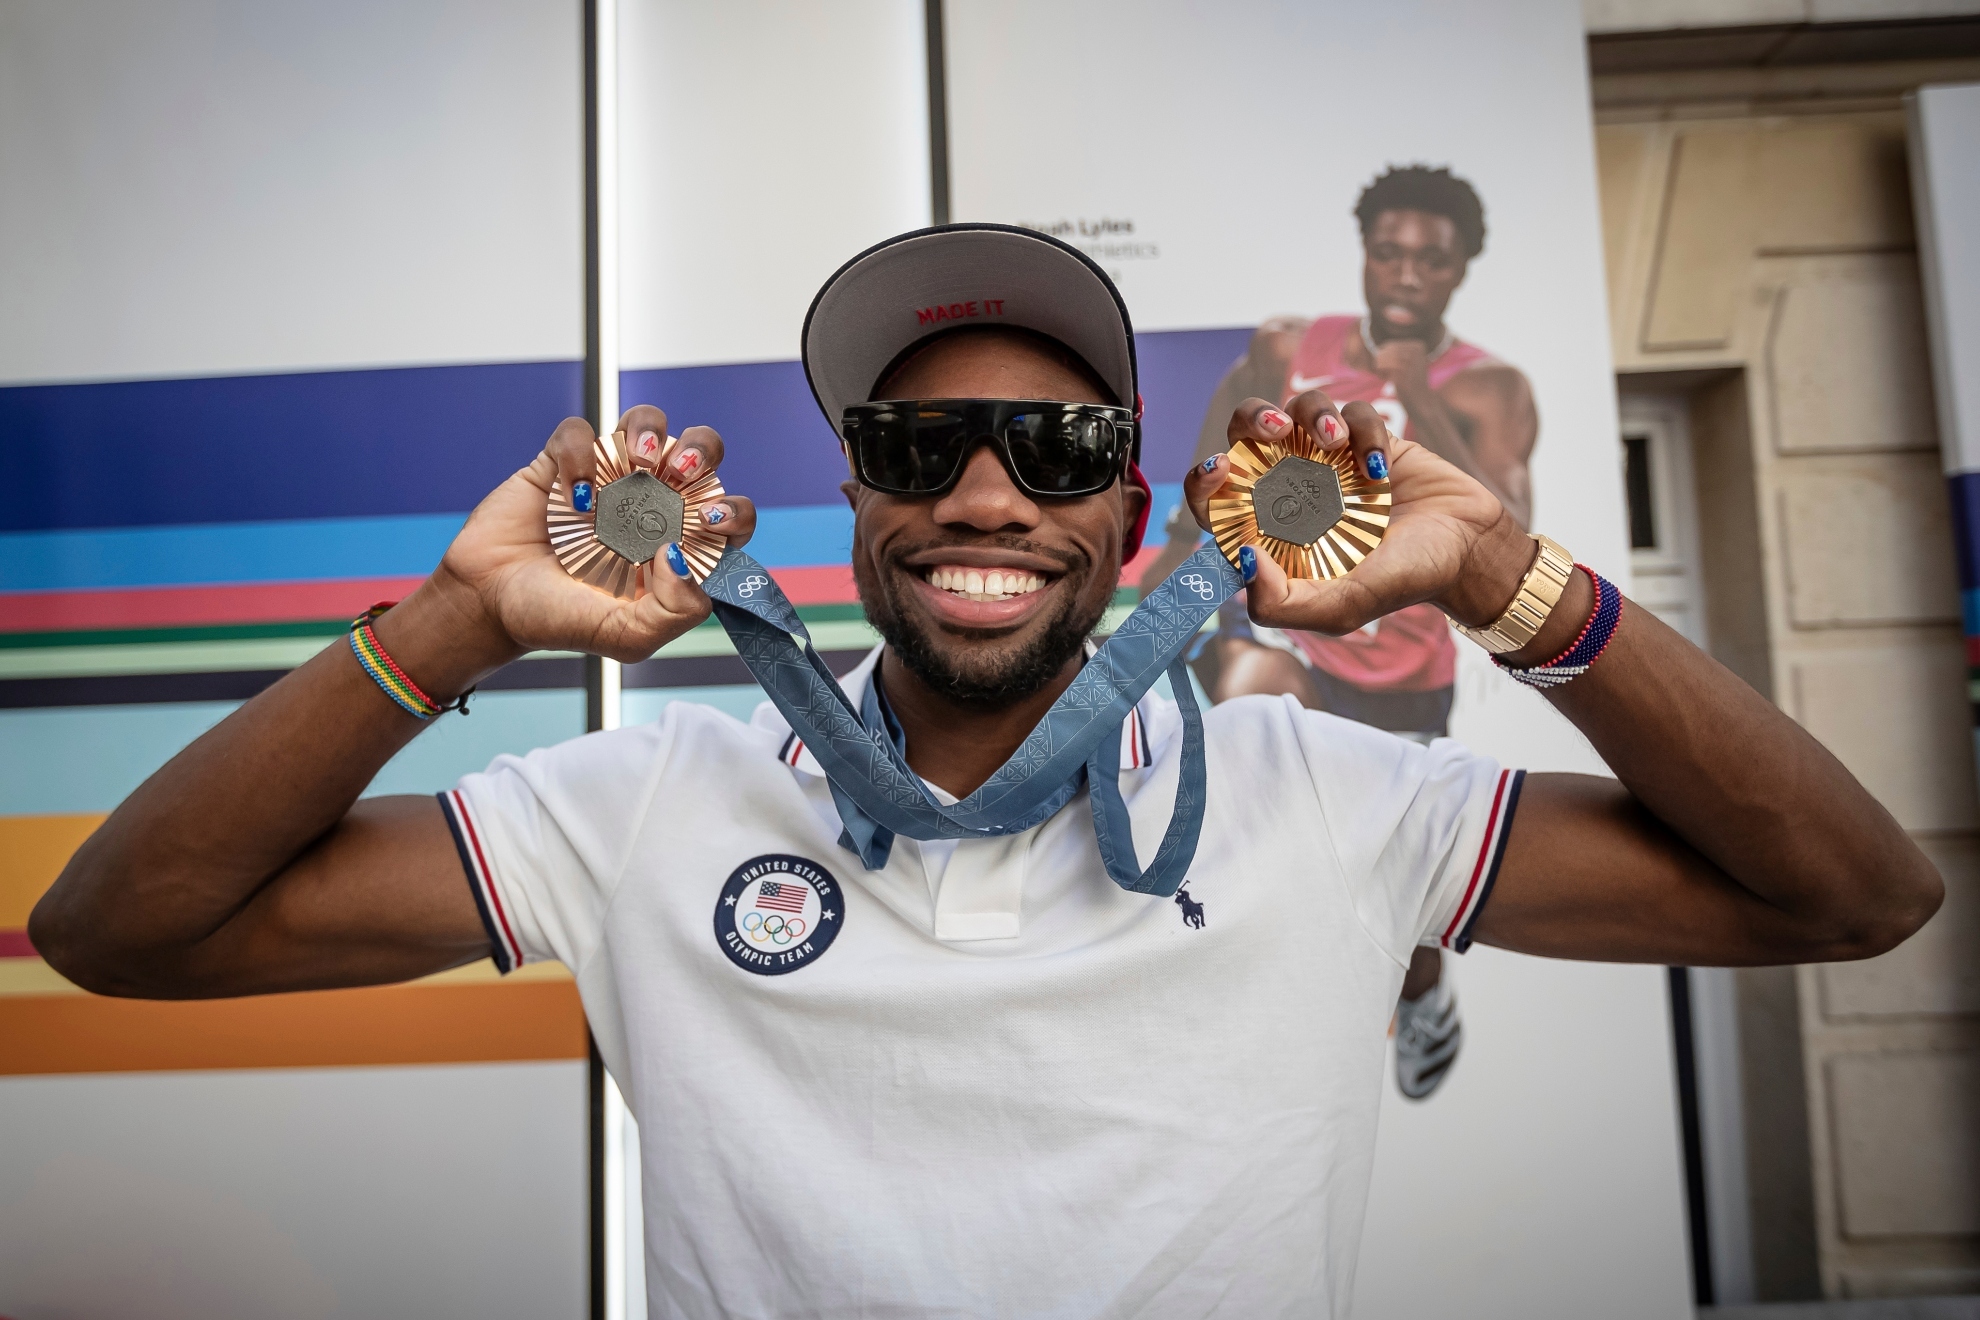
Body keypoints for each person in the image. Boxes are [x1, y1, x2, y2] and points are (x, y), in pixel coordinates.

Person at [33, 224, 1939, 1318]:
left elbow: (1855, 896)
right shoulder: (641, 808)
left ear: (1136, 504)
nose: (977, 493)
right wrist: (460, 624)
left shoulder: (1333, 801)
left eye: (1053, 443)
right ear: (851, 492)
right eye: (911, 443)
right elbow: (123, 932)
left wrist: (1522, 584)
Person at [1139, 164, 1535, 1099]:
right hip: (1285, 626)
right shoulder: (1288, 348)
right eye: (1387, 253)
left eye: (1429, 262)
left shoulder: (1490, 385)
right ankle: (1224, 998)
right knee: (1250, 717)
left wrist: (1414, 395)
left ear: (1459, 272)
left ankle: (1422, 985)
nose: (1403, 276)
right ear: (1364, 255)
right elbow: (1211, 484)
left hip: (1402, 666)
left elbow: (1512, 529)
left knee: (1389, 872)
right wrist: (1154, 599)